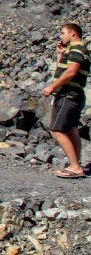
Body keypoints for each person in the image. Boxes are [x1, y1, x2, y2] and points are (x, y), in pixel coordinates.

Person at [41, 22, 88, 178]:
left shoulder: (76, 50)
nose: (61, 36)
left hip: (68, 95)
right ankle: (76, 164)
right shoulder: (76, 50)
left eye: (63, 33)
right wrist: (60, 56)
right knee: (71, 129)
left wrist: (52, 87)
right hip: (75, 95)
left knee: (56, 130)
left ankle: (75, 166)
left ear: (72, 33)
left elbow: (70, 73)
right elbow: (64, 71)